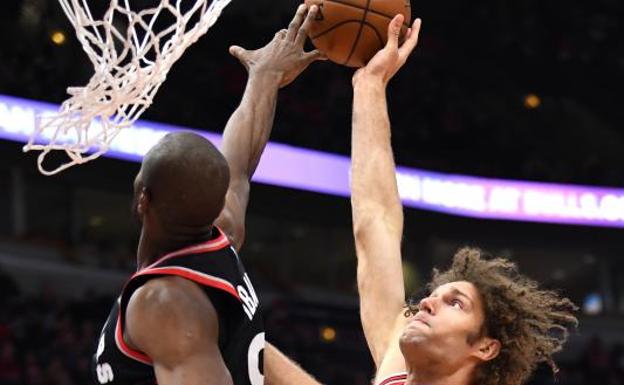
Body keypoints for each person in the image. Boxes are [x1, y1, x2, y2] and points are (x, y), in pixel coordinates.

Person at [265, 14, 578, 385]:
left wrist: (241, 318)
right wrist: (370, 85)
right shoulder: (396, 368)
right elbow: (375, 222)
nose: (425, 302)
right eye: (436, 296)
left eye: (455, 303)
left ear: (485, 347)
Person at [92, 5, 325, 385]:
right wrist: (265, 76)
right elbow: (239, 160)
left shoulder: (164, 305)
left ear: (143, 199)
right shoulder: (222, 232)